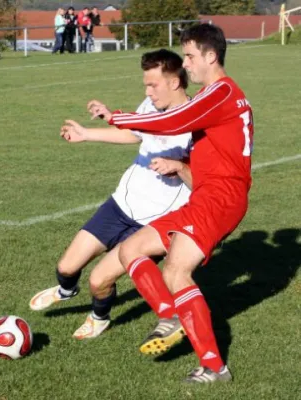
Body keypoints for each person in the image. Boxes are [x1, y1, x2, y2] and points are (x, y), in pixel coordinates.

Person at [88, 24, 254, 383]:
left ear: (211, 56)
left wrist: (116, 116)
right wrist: (182, 166)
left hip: (221, 197)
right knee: (132, 249)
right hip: (207, 195)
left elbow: (171, 121)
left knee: (176, 271)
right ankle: (170, 314)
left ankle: (213, 366)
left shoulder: (221, 92)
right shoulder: (214, 95)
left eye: (191, 56)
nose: (187, 64)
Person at [30, 49, 193, 341]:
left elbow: (205, 183)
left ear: (174, 82)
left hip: (154, 223)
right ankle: (67, 290)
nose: (147, 91)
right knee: (66, 267)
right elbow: (135, 134)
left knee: (98, 281)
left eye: (153, 84)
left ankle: (99, 317)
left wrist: (179, 167)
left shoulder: (196, 124)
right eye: (145, 84)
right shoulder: (151, 104)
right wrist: (87, 134)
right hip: (121, 205)